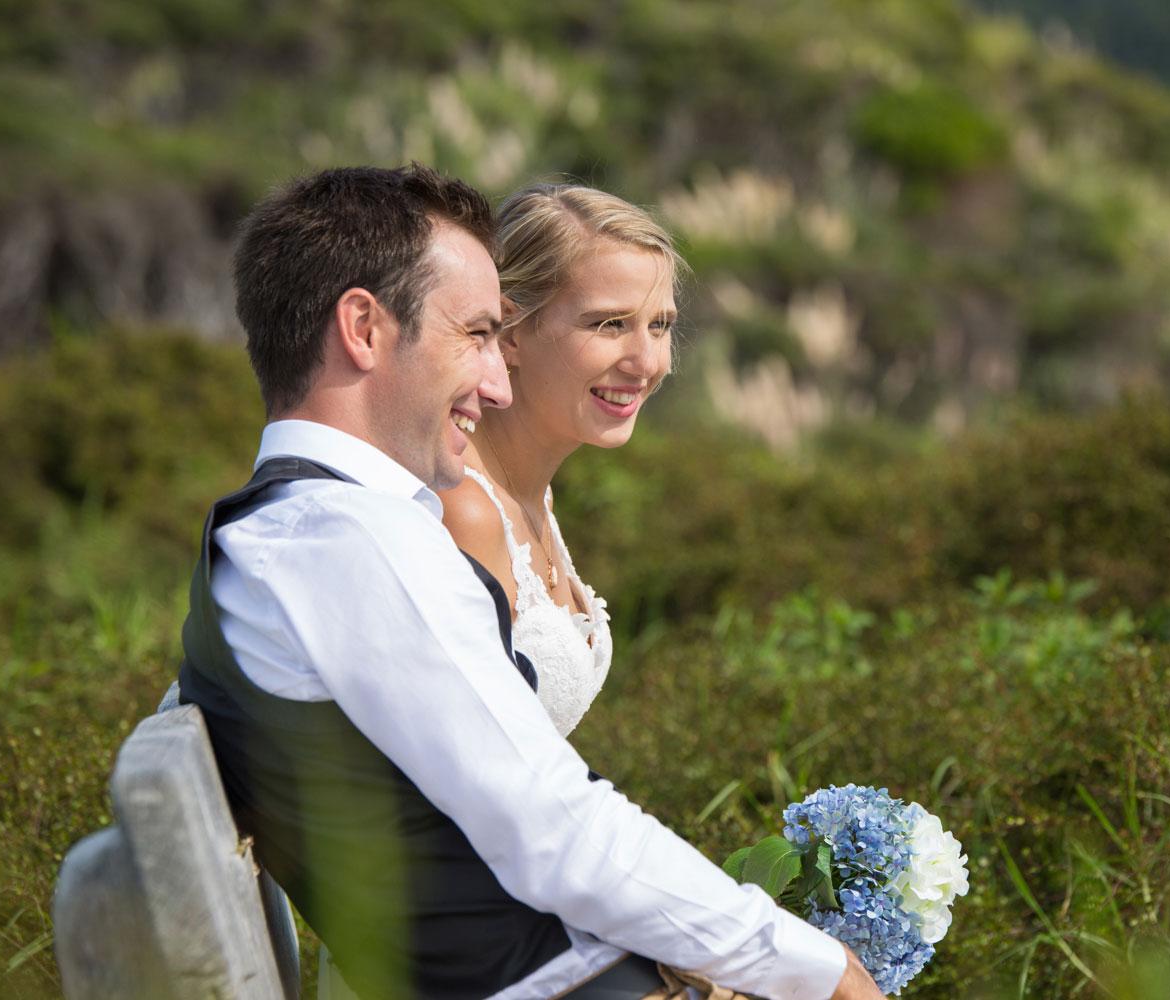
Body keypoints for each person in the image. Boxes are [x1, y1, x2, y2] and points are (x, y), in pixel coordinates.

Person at [176, 163, 885, 1000]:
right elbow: (550, 833)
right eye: (477, 334)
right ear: (364, 328)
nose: (497, 381)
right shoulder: (342, 540)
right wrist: (815, 965)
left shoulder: (282, 530)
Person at [438, 184, 679, 738]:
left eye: (660, 325)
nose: (645, 361)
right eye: (609, 323)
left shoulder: (533, 491)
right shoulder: (464, 510)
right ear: (512, 332)